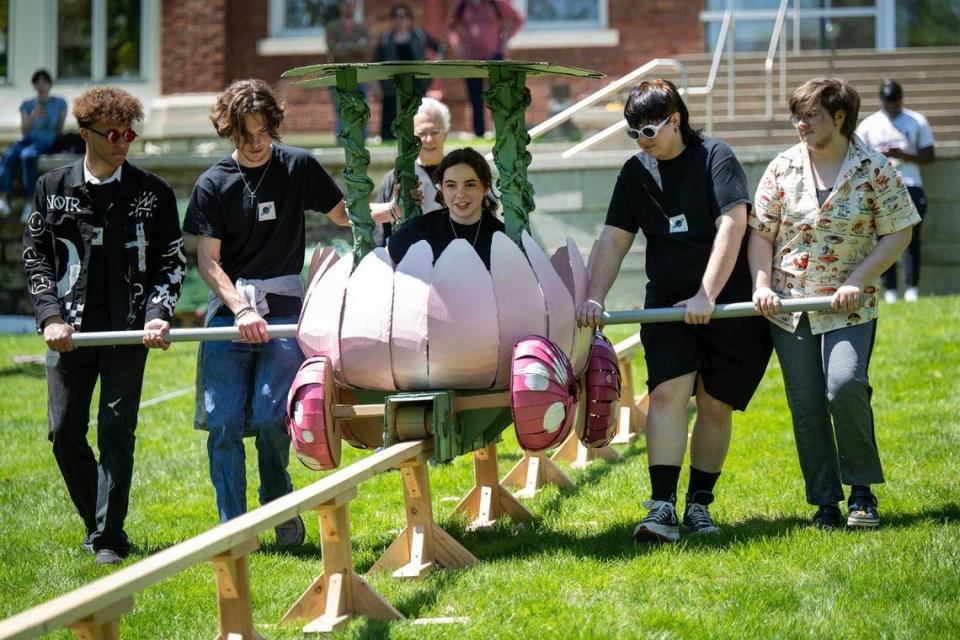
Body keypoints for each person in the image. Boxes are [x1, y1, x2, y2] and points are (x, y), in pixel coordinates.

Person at [184, 79, 400, 542]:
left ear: (273, 126)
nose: (256, 143)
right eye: (245, 134)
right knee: (223, 422)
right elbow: (208, 260)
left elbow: (343, 214)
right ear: (230, 132)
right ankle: (234, 528)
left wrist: (392, 210)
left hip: (284, 311)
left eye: (263, 132)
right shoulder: (212, 184)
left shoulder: (297, 166)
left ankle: (278, 504)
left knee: (269, 417)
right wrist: (241, 309)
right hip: (230, 313)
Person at [576, 79, 771, 543]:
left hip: (727, 300)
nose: (643, 142)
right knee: (666, 395)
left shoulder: (715, 157)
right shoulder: (634, 173)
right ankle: (661, 507)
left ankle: (699, 505)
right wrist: (594, 296)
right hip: (666, 302)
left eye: (649, 131)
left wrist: (707, 293)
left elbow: (733, 224)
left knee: (715, 403)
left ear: (676, 120)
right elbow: (613, 239)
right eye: (634, 133)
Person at [22, 86, 185, 565]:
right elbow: (36, 259)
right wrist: (50, 315)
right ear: (86, 133)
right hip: (68, 333)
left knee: (117, 428)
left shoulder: (152, 194)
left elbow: (171, 263)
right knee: (64, 431)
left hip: (128, 330)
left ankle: (109, 537)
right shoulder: (52, 189)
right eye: (113, 134)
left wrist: (158, 313)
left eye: (129, 134)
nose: (122, 142)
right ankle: (99, 521)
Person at [749, 78, 919, 530]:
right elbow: (761, 233)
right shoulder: (782, 167)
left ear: (839, 117)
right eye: (797, 116)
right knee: (805, 403)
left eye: (811, 116)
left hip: (849, 305)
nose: (800, 124)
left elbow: (899, 230)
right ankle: (825, 501)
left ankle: (862, 492)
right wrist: (762, 284)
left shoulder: (874, 167)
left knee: (844, 385)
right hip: (790, 307)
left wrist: (859, 279)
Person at [855, 79, 935, 303]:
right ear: (881, 100)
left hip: (910, 182)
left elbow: (929, 154)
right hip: (880, 186)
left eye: (895, 101)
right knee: (882, 238)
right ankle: (889, 290)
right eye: (888, 102)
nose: (892, 106)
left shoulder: (916, 120)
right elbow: (858, 157)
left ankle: (912, 288)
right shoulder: (869, 124)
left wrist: (904, 155)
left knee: (912, 238)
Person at [387, 146, 504, 269]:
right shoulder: (420, 230)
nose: (460, 194)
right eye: (451, 185)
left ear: (485, 187)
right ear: (441, 188)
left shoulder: (501, 236)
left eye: (470, 185)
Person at [374, 97, 450, 247]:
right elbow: (380, 234)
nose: (428, 139)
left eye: (435, 132)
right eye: (421, 133)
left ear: (446, 134)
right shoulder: (394, 179)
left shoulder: (460, 173)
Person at [446, 0, 524, 138]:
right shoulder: (463, 5)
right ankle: (479, 133)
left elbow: (518, 18)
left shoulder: (495, 3)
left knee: (497, 95)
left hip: (494, 57)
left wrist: (505, 39)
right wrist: (457, 45)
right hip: (471, 59)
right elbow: (450, 26)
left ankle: (500, 131)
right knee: (475, 98)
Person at [0, 69, 69, 221]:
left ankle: (29, 202)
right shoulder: (27, 104)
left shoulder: (60, 103)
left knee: (27, 155)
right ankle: (3, 199)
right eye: (38, 81)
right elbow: (24, 130)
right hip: (28, 138)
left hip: (46, 140)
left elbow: (60, 130)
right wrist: (33, 115)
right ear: (33, 84)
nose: (41, 85)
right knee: (9, 154)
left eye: (44, 81)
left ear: (50, 84)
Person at [373, 3, 444, 141]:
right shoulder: (385, 39)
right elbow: (376, 64)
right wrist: (376, 86)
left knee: (417, 117)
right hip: (391, 86)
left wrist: (434, 66)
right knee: (390, 121)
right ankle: (389, 145)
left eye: (404, 15)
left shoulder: (418, 34)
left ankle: (418, 143)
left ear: (409, 18)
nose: (401, 19)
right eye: (397, 16)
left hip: (417, 85)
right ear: (392, 19)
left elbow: (439, 47)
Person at [325, 0, 371, 139]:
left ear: (356, 6)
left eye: (352, 4)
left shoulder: (363, 27)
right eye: (346, 4)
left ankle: (362, 141)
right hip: (339, 76)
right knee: (341, 110)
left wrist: (344, 45)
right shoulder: (331, 27)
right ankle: (341, 141)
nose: (349, 7)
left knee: (361, 109)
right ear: (340, 6)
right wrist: (356, 45)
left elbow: (366, 49)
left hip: (359, 75)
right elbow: (334, 50)